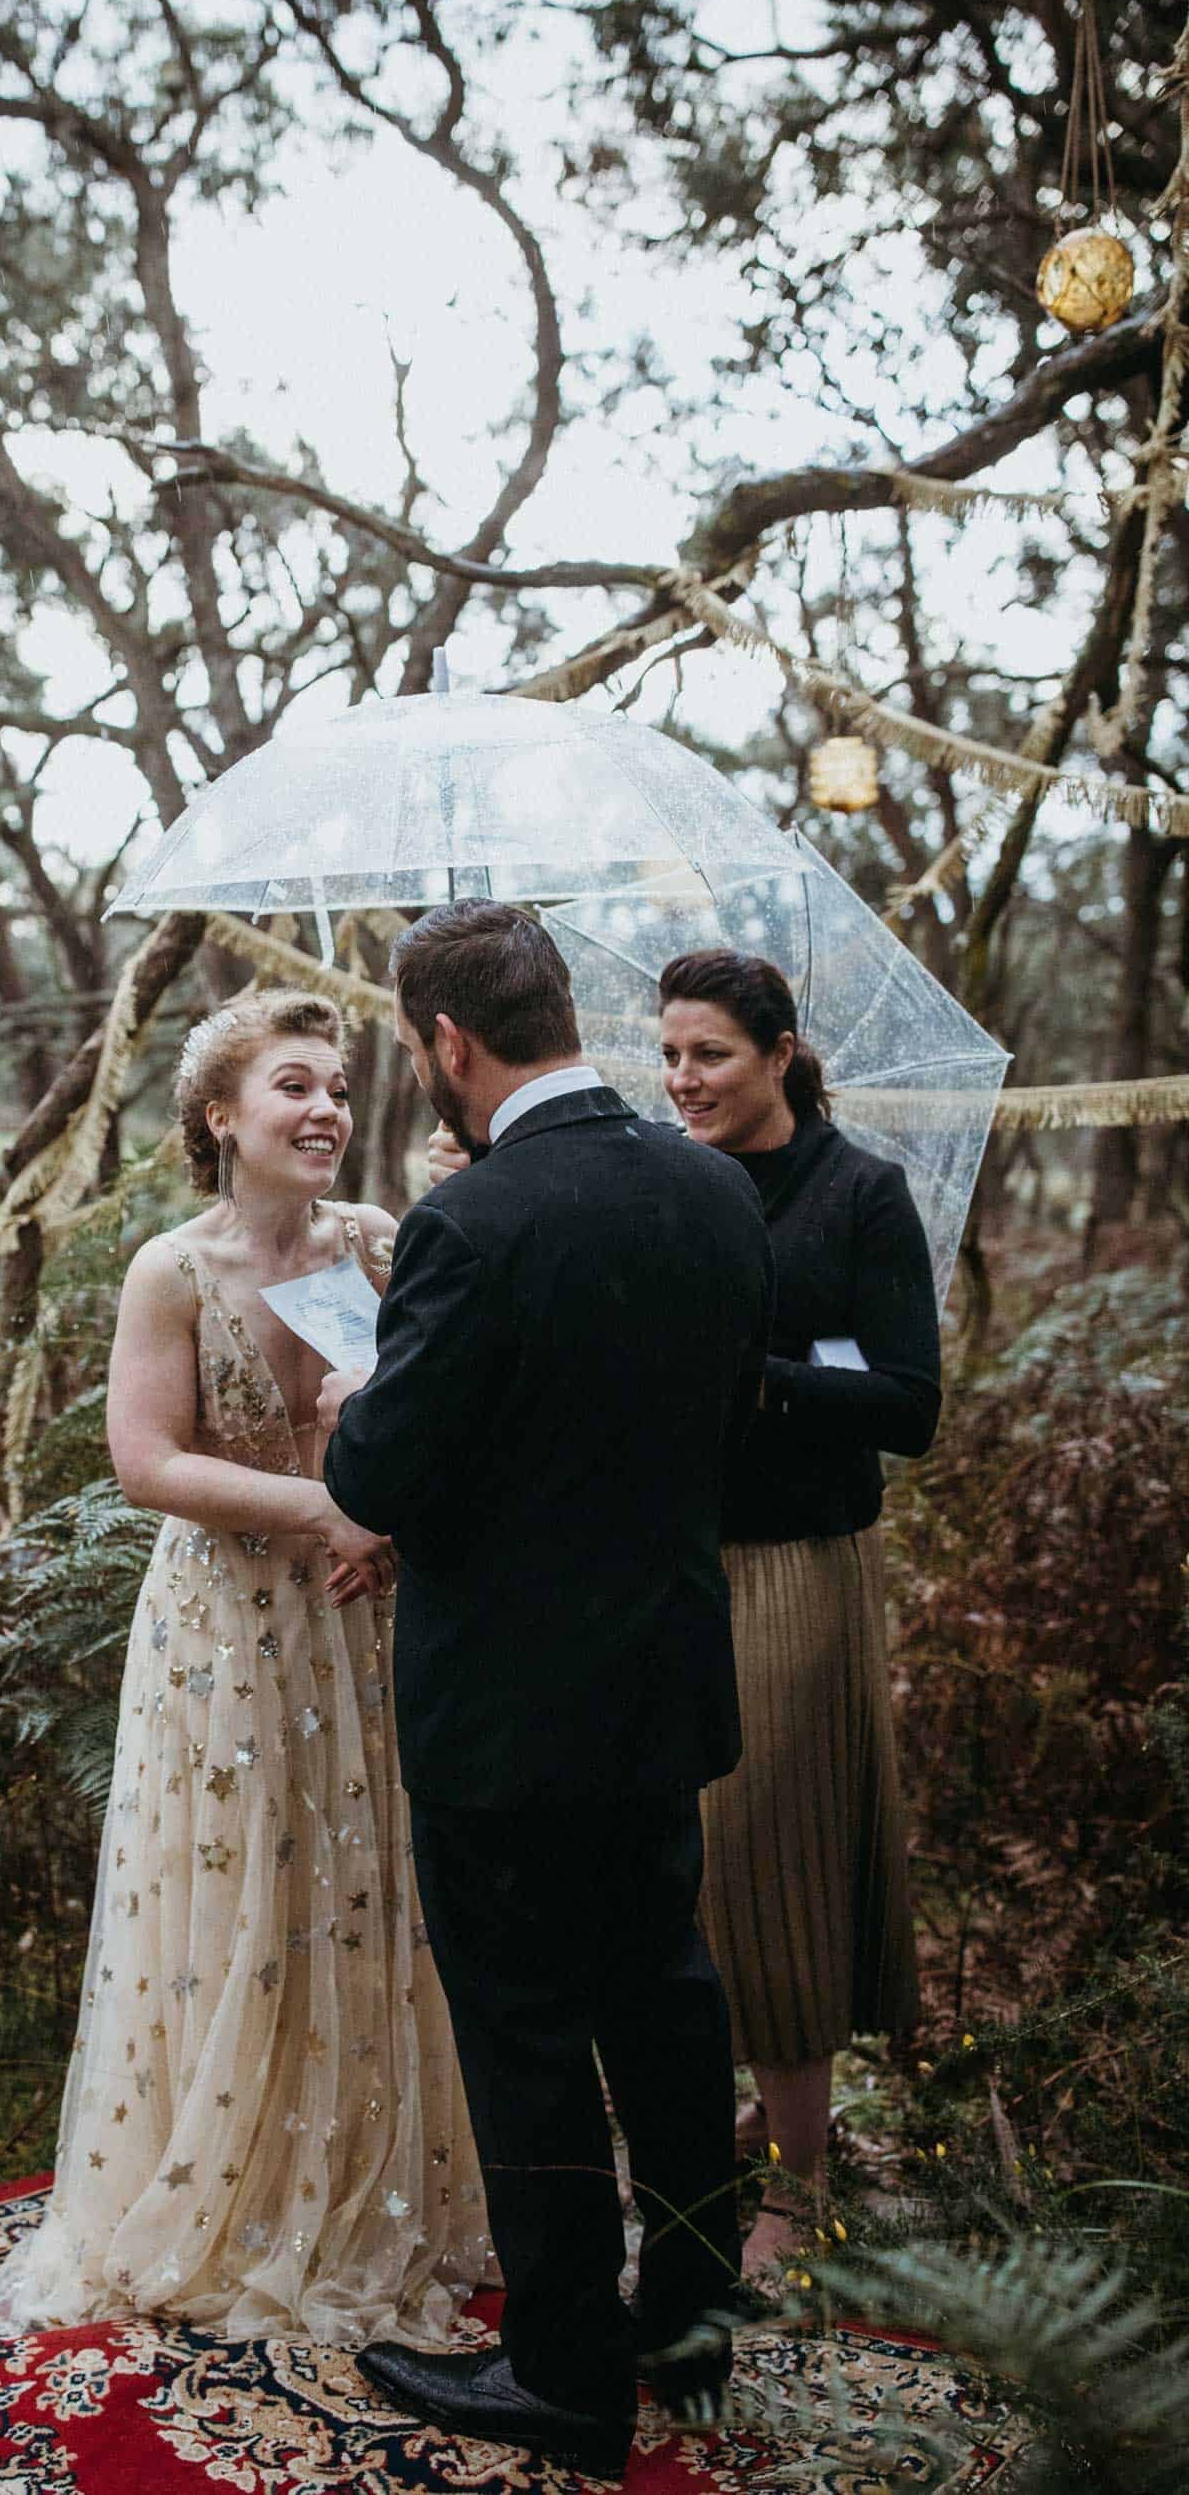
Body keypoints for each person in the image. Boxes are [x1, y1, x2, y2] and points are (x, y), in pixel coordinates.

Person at [320, 902, 775, 2479]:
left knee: (524, 2037)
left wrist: (369, 1385)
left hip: (506, 1711)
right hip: (660, 1680)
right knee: (664, 2008)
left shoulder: (475, 1224)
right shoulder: (716, 1191)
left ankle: (569, 2378)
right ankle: (695, 2328)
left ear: (448, 1043)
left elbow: (380, 1473)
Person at [0, 988, 493, 2348]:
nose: (327, 1107)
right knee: (242, 1880)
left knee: (368, 1881)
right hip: (227, 1627)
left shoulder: (381, 1244)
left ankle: (372, 2190)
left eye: (336, 1085)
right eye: (293, 1085)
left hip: (366, 1608)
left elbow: (447, 1406)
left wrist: (383, 1497)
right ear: (221, 1116)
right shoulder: (174, 1268)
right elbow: (146, 1462)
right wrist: (320, 1509)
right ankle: (234, 2186)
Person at [656, 948, 940, 2284]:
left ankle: (802, 2180)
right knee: (686, 1864)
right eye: (667, 1055)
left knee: (771, 1858)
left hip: (798, 1569)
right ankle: (733, 2121)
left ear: (778, 1053)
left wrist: (757, 1378)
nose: (683, 1079)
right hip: (666, 1562)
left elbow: (911, 1403)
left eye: (708, 1053)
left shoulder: (860, 1193)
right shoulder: (671, 1183)